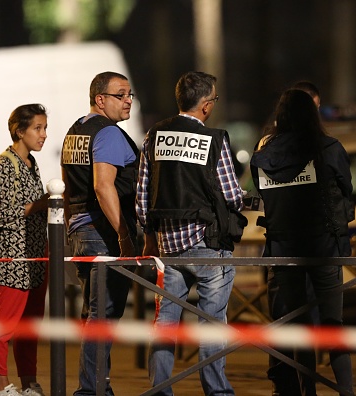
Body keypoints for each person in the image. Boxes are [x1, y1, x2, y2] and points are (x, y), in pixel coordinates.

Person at [136, 71, 245, 396]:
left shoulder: (154, 135)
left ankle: (161, 389)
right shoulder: (214, 139)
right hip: (208, 244)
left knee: (166, 321)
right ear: (207, 105)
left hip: (168, 247)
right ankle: (216, 391)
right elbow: (232, 195)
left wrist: (150, 232)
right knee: (211, 324)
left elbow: (143, 197)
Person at [250, 89, 354, 396]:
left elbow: (263, 197)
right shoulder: (328, 148)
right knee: (333, 322)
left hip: (283, 251)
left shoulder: (263, 156)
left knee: (299, 328)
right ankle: (346, 391)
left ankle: (307, 391)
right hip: (325, 248)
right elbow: (346, 187)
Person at [61, 71, 140, 395]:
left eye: (130, 94)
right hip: (102, 233)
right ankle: (90, 391)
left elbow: (66, 187)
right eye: (120, 95)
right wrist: (123, 235)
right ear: (100, 99)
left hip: (81, 230)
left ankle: (95, 389)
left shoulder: (75, 131)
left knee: (93, 315)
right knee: (102, 317)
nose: (128, 100)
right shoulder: (107, 133)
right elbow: (102, 185)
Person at [0, 104, 49, 396]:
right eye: (37, 128)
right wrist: (42, 204)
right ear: (19, 131)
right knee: (3, 325)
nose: (44, 134)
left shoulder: (31, 164)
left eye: (45, 127)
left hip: (35, 256)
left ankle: (28, 383)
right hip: (12, 256)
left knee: (30, 326)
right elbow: (0, 215)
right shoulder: (3, 164)